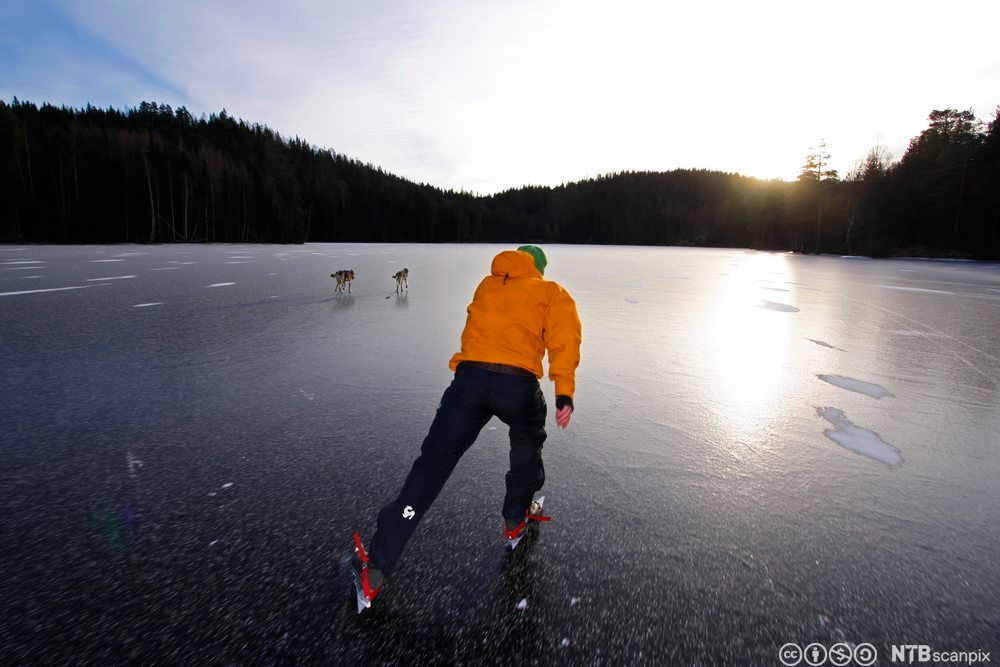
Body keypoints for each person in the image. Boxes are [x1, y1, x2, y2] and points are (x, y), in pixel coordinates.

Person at [352, 245, 582, 609]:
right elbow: (564, 340)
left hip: (469, 383)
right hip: (517, 386)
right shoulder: (551, 292)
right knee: (526, 447)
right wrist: (563, 392)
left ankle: (376, 565)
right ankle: (515, 516)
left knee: (430, 468)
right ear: (538, 268)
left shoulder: (486, 285)